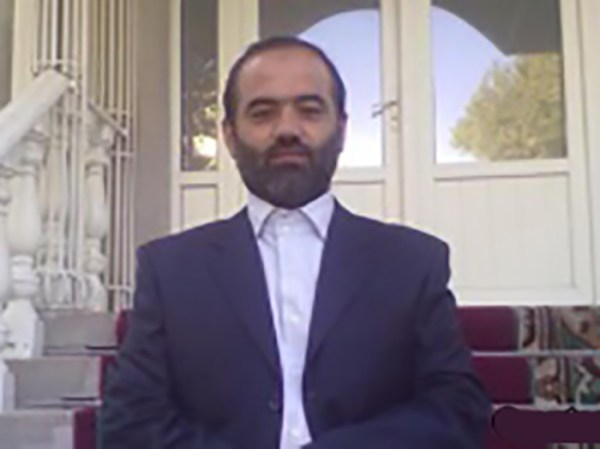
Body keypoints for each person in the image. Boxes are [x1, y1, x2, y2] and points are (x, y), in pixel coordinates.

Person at [99, 36, 491, 449]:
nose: (287, 129)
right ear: (230, 136)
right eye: (262, 113)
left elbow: (456, 408)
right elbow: (129, 421)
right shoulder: (171, 270)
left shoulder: (412, 263)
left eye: (309, 110)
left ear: (341, 130)